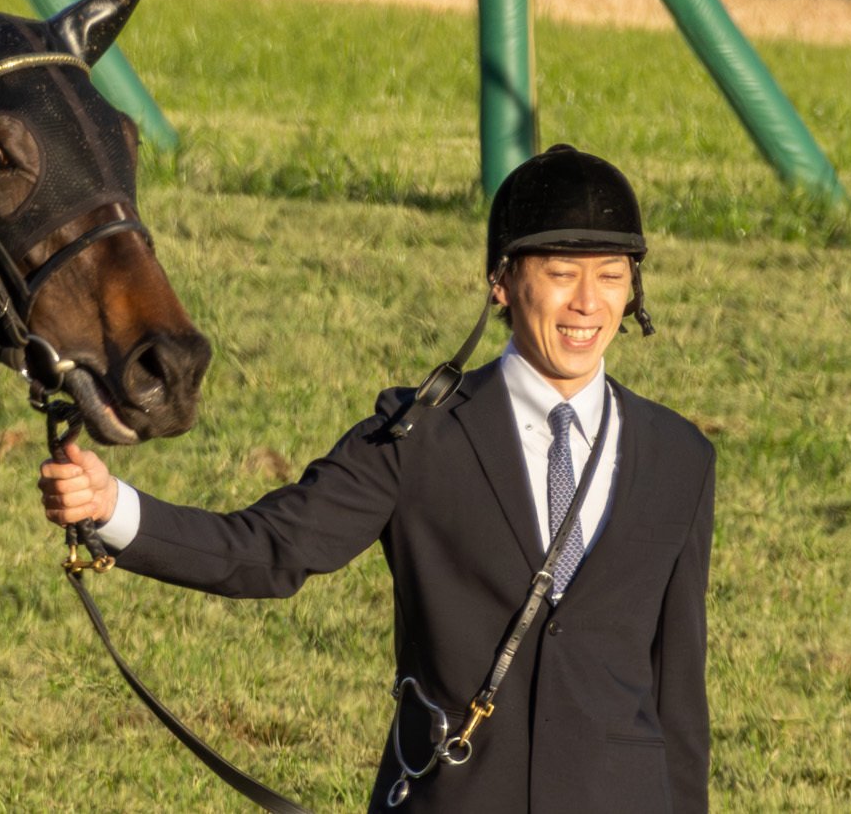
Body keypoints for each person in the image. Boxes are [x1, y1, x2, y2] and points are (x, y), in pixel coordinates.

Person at [39, 145, 715, 813]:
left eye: (612, 276)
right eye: (563, 273)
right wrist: (112, 507)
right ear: (503, 281)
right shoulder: (416, 434)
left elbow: (679, 695)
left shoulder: (680, 455)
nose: (588, 303)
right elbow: (270, 548)